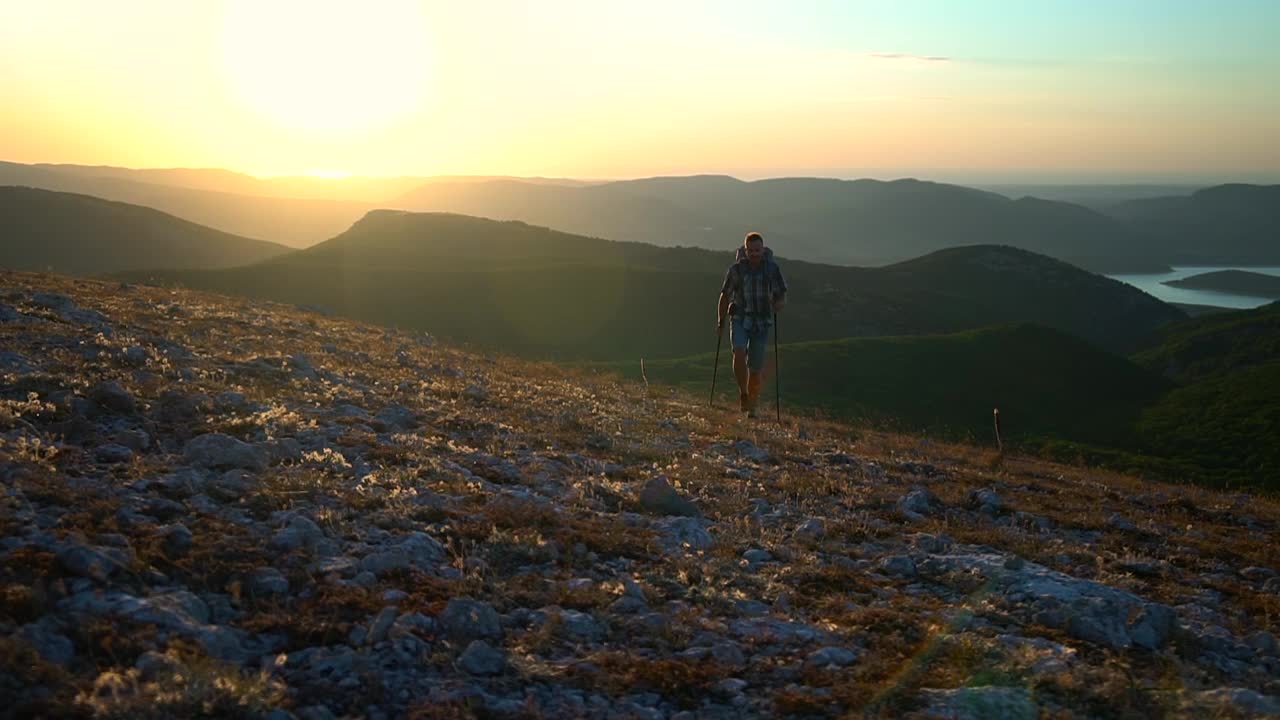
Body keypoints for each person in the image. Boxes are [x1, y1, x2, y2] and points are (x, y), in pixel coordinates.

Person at [716, 231, 787, 417]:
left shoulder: (772, 269)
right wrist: (721, 320)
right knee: (738, 352)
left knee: (755, 368)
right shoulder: (736, 269)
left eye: (757, 250)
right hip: (740, 317)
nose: (754, 254)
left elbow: (781, 293)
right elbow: (725, 294)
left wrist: (778, 304)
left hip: (761, 322)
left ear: (763, 249)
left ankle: (752, 406)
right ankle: (744, 394)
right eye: (751, 250)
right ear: (745, 251)